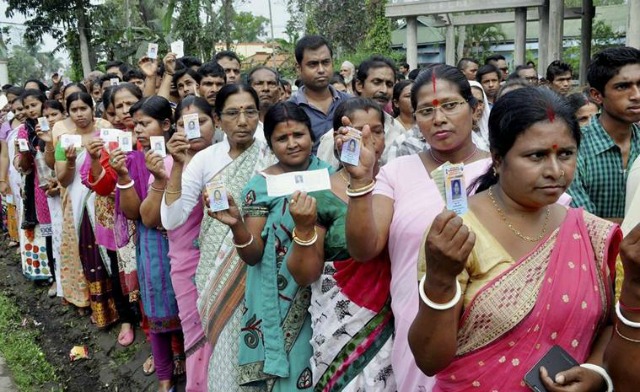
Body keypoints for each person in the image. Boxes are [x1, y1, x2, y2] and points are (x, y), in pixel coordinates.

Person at [410, 86, 620, 392]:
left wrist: (596, 371)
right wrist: (440, 280)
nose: (554, 170)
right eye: (536, 156)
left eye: (565, 154)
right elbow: (429, 360)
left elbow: (612, 325)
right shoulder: (458, 232)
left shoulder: (592, 234)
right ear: (497, 158)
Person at [344, 64, 492, 392]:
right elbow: (365, 249)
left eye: (451, 105)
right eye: (426, 110)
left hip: (491, 331)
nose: (438, 118)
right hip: (418, 333)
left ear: (475, 108)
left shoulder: (502, 168)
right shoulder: (397, 172)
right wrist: (360, 181)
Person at [160, 85, 275, 391]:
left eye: (250, 112)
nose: (242, 121)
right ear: (219, 119)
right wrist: (178, 167)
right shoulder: (205, 159)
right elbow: (172, 218)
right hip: (216, 271)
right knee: (224, 344)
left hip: (262, 267)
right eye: (233, 113)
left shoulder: (270, 153)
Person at [206, 101, 325, 389]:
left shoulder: (329, 176)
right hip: (277, 295)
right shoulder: (261, 187)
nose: (292, 144)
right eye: (282, 138)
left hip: (325, 290)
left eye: (299, 135)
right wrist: (236, 225)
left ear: (311, 135)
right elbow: (253, 255)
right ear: (270, 144)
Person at [286, 97, 396, 391]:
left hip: (394, 316)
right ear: (339, 138)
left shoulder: (399, 181)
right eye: (359, 130)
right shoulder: (319, 191)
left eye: (377, 130)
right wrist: (304, 227)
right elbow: (305, 274)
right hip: (340, 318)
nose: (369, 138)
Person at [109, 96, 184, 392]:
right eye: (135, 123)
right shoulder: (132, 160)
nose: (138, 129)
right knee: (156, 308)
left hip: (184, 242)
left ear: (166, 125)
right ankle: (165, 378)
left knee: (186, 308)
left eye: (145, 123)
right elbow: (133, 213)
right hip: (153, 246)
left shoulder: (185, 158)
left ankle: (190, 367)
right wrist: (124, 177)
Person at [54, 91, 119, 324]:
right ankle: (99, 308)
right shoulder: (66, 142)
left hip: (106, 200)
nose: (80, 114)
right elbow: (63, 180)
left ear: (93, 109)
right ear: (68, 113)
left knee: (111, 253)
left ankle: (120, 306)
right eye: (74, 110)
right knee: (89, 251)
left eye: (84, 108)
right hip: (81, 204)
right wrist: (71, 161)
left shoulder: (107, 132)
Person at [568, 47, 640, 222]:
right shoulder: (574, 147)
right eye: (623, 86)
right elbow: (583, 221)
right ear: (597, 95)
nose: (637, 95)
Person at [317, 55, 405, 167]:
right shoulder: (335, 137)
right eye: (377, 82)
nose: (384, 90)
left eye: (389, 84)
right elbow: (327, 178)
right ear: (359, 85)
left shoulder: (398, 131)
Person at [289, 35, 350, 153]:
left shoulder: (350, 103)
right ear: (298, 68)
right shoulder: (290, 110)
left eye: (326, 62)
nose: (321, 70)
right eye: (313, 64)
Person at [248, 66, 281, 141]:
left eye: (271, 83)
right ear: (248, 89)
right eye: (259, 84)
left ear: (279, 91)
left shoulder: (290, 120)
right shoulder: (240, 124)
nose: (265, 88)